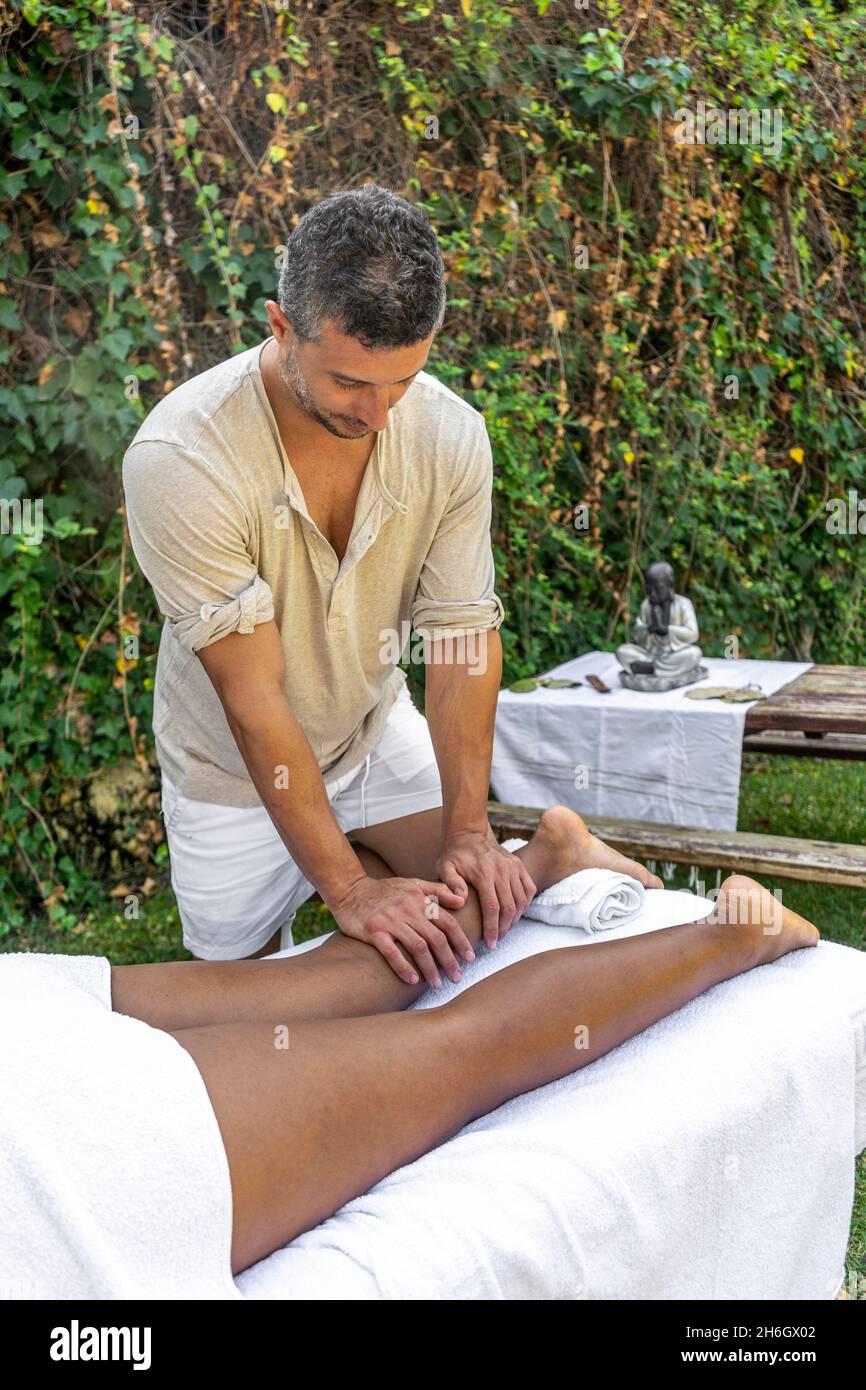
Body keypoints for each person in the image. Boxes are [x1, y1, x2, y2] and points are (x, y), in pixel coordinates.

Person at [101, 807, 819, 1280]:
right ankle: (545, 859)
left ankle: (733, 932)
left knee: (460, 1047)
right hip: (32, 1020)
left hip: (66, 1123)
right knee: (335, 979)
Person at [122, 183, 540, 975]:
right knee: (242, 1005)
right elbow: (255, 699)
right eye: (351, 382)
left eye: (403, 382)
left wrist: (468, 832)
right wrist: (347, 890)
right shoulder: (182, 459)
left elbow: (459, 639)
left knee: (476, 923)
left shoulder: (450, 435)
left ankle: (533, 851)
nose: (380, 416)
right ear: (280, 328)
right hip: (233, 773)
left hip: (374, 732)